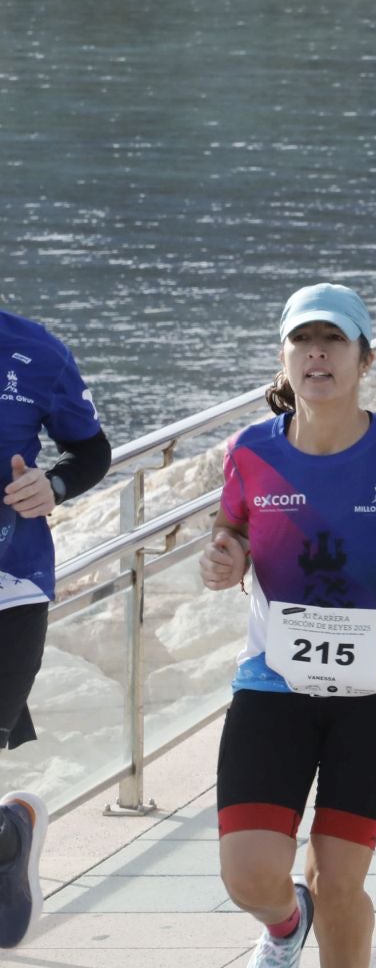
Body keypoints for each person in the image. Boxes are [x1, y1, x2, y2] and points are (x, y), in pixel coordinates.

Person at [204, 283, 376, 968]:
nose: (316, 354)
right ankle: (286, 924)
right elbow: (228, 536)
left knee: (339, 878)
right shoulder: (248, 451)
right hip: (274, 682)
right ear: (283, 358)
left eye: (333, 341)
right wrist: (224, 560)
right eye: (301, 341)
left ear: (364, 358)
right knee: (248, 875)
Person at [0, 312, 110, 952]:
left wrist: (55, 484)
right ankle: (10, 839)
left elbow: (91, 450)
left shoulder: (34, 350)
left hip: (11, 589)